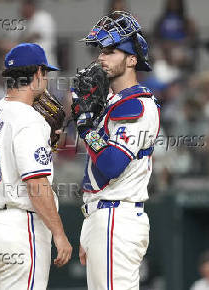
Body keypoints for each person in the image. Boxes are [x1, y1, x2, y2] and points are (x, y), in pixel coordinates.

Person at [73, 11, 160, 289]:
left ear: (132, 59)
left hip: (116, 217)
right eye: (101, 51)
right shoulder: (111, 101)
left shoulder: (137, 104)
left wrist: (86, 127)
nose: (101, 57)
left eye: (110, 51)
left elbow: (111, 164)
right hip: (103, 215)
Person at [0, 43, 72, 290]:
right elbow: (36, 184)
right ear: (38, 73)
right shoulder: (28, 118)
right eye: (46, 74)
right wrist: (59, 234)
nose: (47, 80)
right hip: (20, 227)